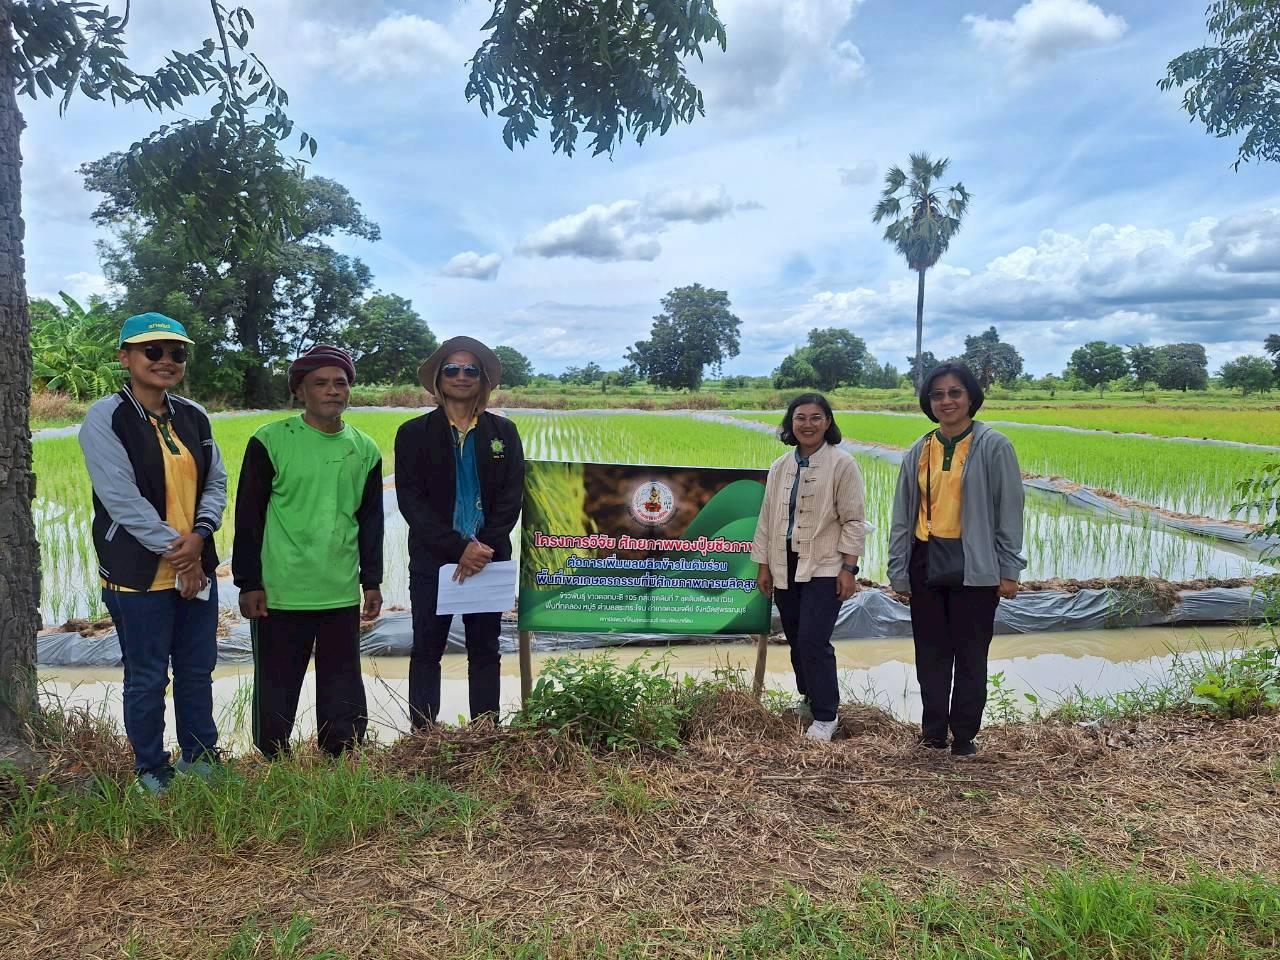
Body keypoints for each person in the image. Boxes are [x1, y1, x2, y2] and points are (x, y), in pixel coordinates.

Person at [79, 313, 227, 793]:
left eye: (176, 353)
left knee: (196, 670)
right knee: (146, 677)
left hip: (196, 568)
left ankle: (201, 758)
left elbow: (216, 481)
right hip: (138, 575)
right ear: (126, 358)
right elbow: (121, 498)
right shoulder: (107, 417)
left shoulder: (193, 415)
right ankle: (151, 769)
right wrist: (181, 553)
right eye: (153, 351)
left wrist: (200, 536)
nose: (166, 360)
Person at [232, 345, 383, 758]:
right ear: (300, 391)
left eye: (341, 383)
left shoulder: (365, 449)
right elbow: (248, 516)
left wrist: (371, 580)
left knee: (341, 682)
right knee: (277, 682)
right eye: (320, 383)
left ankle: (341, 754)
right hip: (281, 589)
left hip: (339, 587)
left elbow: (371, 522)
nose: (333, 390)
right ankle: (273, 757)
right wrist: (249, 582)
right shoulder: (271, 440)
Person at [887, 363, 1026, 757]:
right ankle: (933, 732)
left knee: (970, 655)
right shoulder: (919, 449)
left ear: (970, 398)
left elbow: (1009, 512)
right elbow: (902, 515)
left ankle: (964, 736)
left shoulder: (994, 446)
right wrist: (898, 570)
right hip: (925, 560)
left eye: (954, 393)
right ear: (928, 402)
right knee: (930, 653)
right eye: (937, 395)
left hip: (975, 564)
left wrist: (1009, 569)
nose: (946, 401)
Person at [394, 336, 525, 728]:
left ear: (483, 380)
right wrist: (457, 548)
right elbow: (411, 501)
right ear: (439, 379)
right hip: (434, 560)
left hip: (488, 558)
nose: (462, 376)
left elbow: (512, 495)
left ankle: (485, 729)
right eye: (452, 369)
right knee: (427, 648)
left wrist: (481, 547)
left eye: (472, 370)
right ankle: (424, 733)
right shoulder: (413, 433)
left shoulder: (503, 432)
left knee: (485, 649)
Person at [752, 393, 865, 742]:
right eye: (800, 417)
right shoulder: (780, 466)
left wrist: (849, 568)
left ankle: (827, 715)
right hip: (785, 563)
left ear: (828, 422)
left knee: (814, 640)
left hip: (825, 564)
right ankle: (810, 698)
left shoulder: (842, 464)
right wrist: (764, 566)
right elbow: (767, 519)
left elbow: (854, 520)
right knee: (796, 639)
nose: (808, 424)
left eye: (816, 417)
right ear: (791, 423)